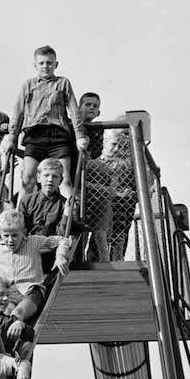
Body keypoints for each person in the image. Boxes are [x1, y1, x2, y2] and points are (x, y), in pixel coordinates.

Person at [1, 45, 88, 199]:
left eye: (49, 62)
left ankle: (70, 217)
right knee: (28, 179)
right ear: (35, 65)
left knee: (64, 179)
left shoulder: (63, 83)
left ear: (56, 64)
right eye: (41, 63)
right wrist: (11, 138)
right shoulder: (28, 85)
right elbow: (18, 113)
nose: (45, 66)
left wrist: (80, 135)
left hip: (58, 135)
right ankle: (19, 218)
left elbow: (73, 110)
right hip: (35, 135)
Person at [0, 208, 72, 334]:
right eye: (6, 236)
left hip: (31, 291)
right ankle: (2, 342)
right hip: (8, 294)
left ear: (24, 232)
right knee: (2, 313)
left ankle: (18, 326)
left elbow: (63, 240)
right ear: (0, 233)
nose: (10, 240)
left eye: (15, 235)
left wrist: (60, 256)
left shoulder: (33, 242)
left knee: (16, 313)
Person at [78, 92, 112, 263]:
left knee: (100, 228)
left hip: (92, 185)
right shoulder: (74, 126)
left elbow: (93, 157)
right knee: (79, 226)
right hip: (76, 179)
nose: (91, 108)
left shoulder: (97, 130)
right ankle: (78, 259)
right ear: (79, 107)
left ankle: (102, 261)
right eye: (87, 104)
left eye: (95, 106)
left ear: (98, 112)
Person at [101, 127, 137, 261]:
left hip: (124, 204)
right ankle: (98, 258)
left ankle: (118, 258)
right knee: (102, 234)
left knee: (121, 233)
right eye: (114, 144)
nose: (117, 148)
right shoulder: (103, 162)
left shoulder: (129, 162)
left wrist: (131, 192)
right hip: (106, 203)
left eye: (121, 146)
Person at [17, 158, 70, 237]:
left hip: (52, 245)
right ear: (38, 177)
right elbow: (20, 229)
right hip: (29, 244)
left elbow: (62, 234)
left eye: (55, 176)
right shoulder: (26, 201)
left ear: (61, 180)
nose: (50, 180)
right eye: (46, 175)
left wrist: (66, 214)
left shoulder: (64, 205)